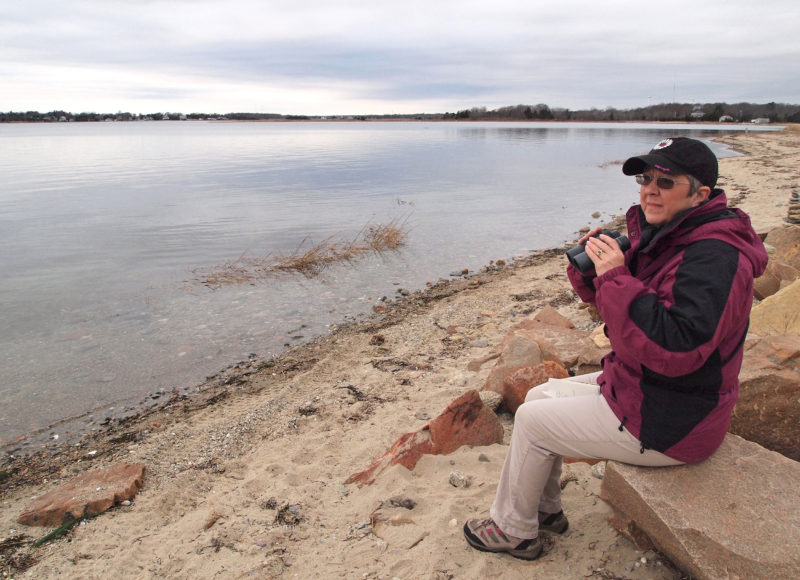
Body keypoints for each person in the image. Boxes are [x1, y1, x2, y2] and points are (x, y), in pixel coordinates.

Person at [463, 137, 768, 560]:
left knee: (531, 420)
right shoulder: (674, 233)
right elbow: (626, 309)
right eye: (645, 179)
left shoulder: (715, 256)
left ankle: (514, 530)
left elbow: (675, 348)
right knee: (538, 394)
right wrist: (592, 273)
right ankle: (544, 511)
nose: (649, 189)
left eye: (665, 181)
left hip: (674, 419)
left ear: (700, 194)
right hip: (651, 389)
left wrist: (615, 277)